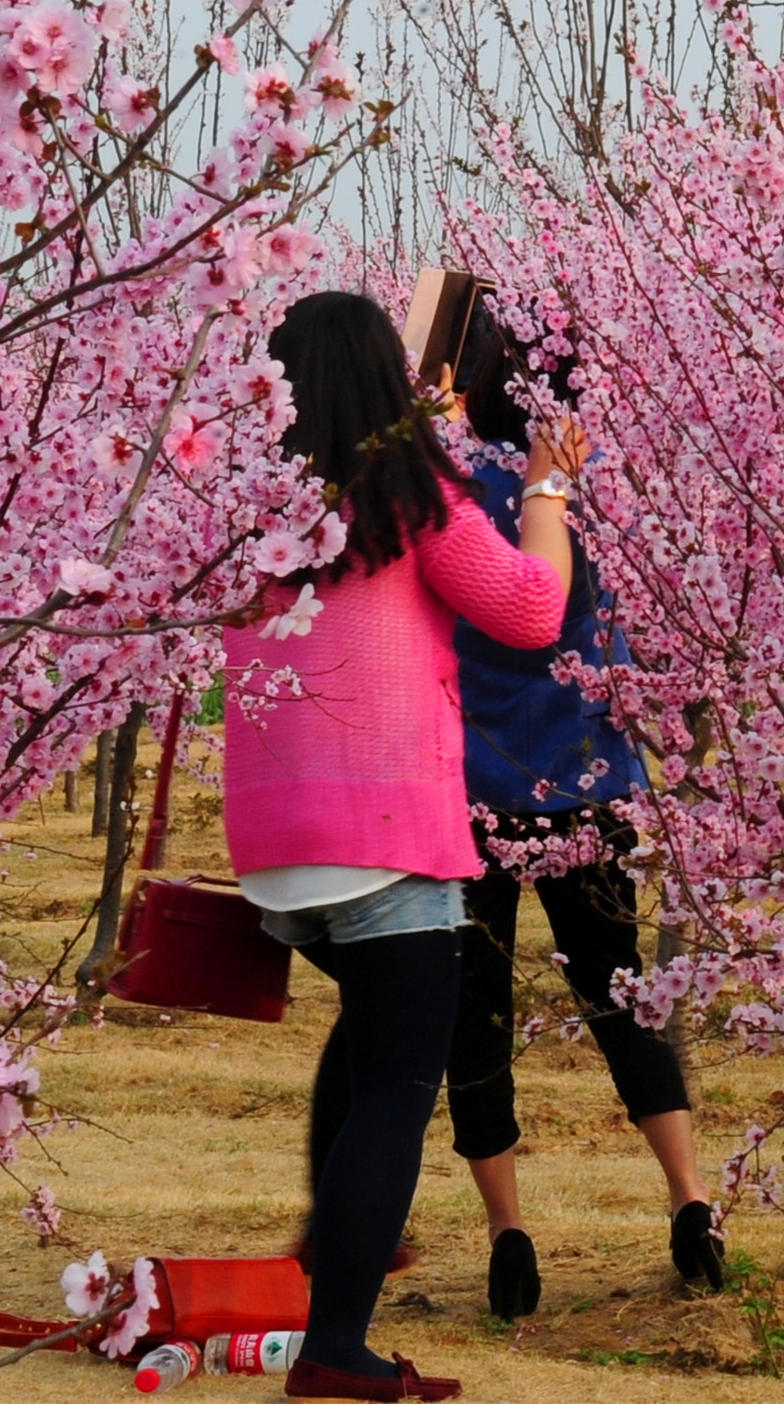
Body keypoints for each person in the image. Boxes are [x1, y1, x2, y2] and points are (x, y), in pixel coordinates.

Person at [222, 291, 574, 1404]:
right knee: (398, 1086)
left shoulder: (243, 503)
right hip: (383, 843)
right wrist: (549, 486)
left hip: (275, 854)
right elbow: (527, 611)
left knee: (372, 1033)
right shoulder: (408, 491)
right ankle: (337, 1347)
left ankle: (336, 1251)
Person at [439, 298, 719, 1316]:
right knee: (620, 992)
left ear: (474, 393)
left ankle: (509, 1234)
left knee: (474, 1015)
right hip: (586, 781)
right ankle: (690, 1198)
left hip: (466, 788)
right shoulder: (609, 499)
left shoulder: (448, 495)